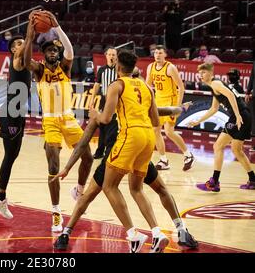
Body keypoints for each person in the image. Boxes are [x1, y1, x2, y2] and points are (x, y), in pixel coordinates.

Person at [52, 95, 198, 251]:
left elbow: (82, 144)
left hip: (114, 157)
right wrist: (181, 108)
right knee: (157, 189)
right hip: (136, 152)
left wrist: (67, 167)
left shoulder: (100, 116)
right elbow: (162, 111)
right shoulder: (132, 108)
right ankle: (180, 230)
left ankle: (66, 234)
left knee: (89, 195)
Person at [88, 50, 168, 253]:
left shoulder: (117, 85)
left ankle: (133, 234)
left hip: (130, 136)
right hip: (149, 137)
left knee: (109, 186)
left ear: (118, 67)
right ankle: (157, 233)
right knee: (136, 189)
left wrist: (95, 114)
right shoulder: (145, 86)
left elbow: (105, 119)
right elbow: (157, 121)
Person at [23, 10, 93, 232]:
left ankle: (79, 189)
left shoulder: (65, 67)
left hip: (69, 118)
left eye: (55, 49)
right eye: (49, 50)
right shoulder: (39, 70)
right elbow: (25, 61)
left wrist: (57, 27)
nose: (53, 52)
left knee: (88, 158)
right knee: (53, 164)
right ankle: (55, 211)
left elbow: (70, 50)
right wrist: (30, 34)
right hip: (51, 121)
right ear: (44, 54)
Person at [188, 63, 255, 191]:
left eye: (204, 72)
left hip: (239, 117)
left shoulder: (215, 84)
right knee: (237, 150)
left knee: (218, 146)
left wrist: (237, 115)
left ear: (211, 73)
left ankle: (214, 182)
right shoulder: (214, 87)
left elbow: (230, 95)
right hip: (243, 116)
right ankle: (253, 180)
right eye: (199, 73)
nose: (201, 75)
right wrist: (198, 121)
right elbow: (214, 109)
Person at [0, 32, 31, 219]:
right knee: (10, 156)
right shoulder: (16, 59)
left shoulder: (25, 61)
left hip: (17, 113)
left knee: (13, 155)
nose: (22, 45)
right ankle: (1, 197)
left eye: (23, 42)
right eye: (18, 43)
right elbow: (27, 45)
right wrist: (31, 30)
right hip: (11, 114)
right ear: (13, 49)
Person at [146, 45, 194, 171]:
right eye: (156, 52)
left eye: (160, 53)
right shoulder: (150, 67)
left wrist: (177, 107)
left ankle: (188, 155)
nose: (157, 55)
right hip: (158, 101)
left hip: (170, 101)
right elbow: (148, 86)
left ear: (165, 54)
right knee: (155, 130)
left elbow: (181, 87)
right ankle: (163, 160)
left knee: (169, 132)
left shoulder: (170, 68)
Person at [89, 47, 118, 159]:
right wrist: (92, 99)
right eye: (109, 54)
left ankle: (110, 151)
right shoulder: (101, 70)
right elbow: (97, 85)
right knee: (102, 127)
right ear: (106, 56)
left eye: (113, 55)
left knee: (113, 127)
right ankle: (100, 151)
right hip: (104, 100)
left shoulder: (119, 70)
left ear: (116, 57)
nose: (111, 57)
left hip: (115, 101)